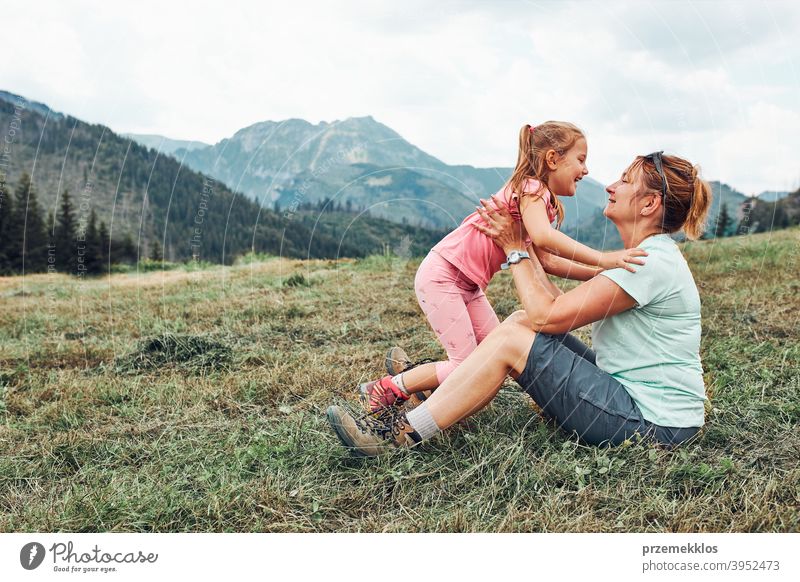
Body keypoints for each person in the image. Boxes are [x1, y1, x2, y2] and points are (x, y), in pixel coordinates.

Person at [328, 151, 712, 456]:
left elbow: (549, 315)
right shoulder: (649, 258)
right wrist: (528, 247)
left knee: (516, 336)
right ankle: (440, 389)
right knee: (519, 321)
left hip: (652, 424)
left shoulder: (648, 264)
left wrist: (514, 248)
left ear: (649, 205)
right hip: (636, 399)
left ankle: (402, 435)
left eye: (625, 181)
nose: (611, 186)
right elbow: (551, 311)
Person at [361, 122, 647, 413]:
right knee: (467, 365)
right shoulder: (532, 188)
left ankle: (423, 389)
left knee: (490, 354)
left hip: (469, 285)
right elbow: (545, 238)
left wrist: (600, 273)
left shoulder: (538, 199)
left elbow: (547, 260)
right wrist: (605, 259)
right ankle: (389, 387)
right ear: (552, 159)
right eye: (581, 159)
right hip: (442, 275)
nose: (585, 170)